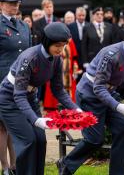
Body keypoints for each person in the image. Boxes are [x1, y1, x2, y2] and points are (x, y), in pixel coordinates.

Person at [57, 22, 124, 175]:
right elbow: (98, 87)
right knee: (94, 139)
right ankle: (66, 164)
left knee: (123, 128)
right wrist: (117, 106)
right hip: (89, 96)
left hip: (108, 95)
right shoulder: (111, 54)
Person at [0, 22, 82, 175]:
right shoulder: (29, 58)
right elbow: (18, 95)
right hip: (9, 99)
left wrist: (75, 108)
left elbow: (58, 90)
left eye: (64, 45)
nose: (61, 49)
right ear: (47, 42)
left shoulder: (56, 59)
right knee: (28, 141)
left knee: (40, 140)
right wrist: (36, 120)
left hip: (30, 98)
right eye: (57, 45)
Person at [0, 0, 31, 175]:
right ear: (1, 4)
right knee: (2, 126)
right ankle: (5, 168)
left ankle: (15, 165)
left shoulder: (24, 26)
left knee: (16, 125)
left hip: (20, 83)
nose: (16, 5)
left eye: (18, 2)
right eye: (12, 3)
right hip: (1, 82)